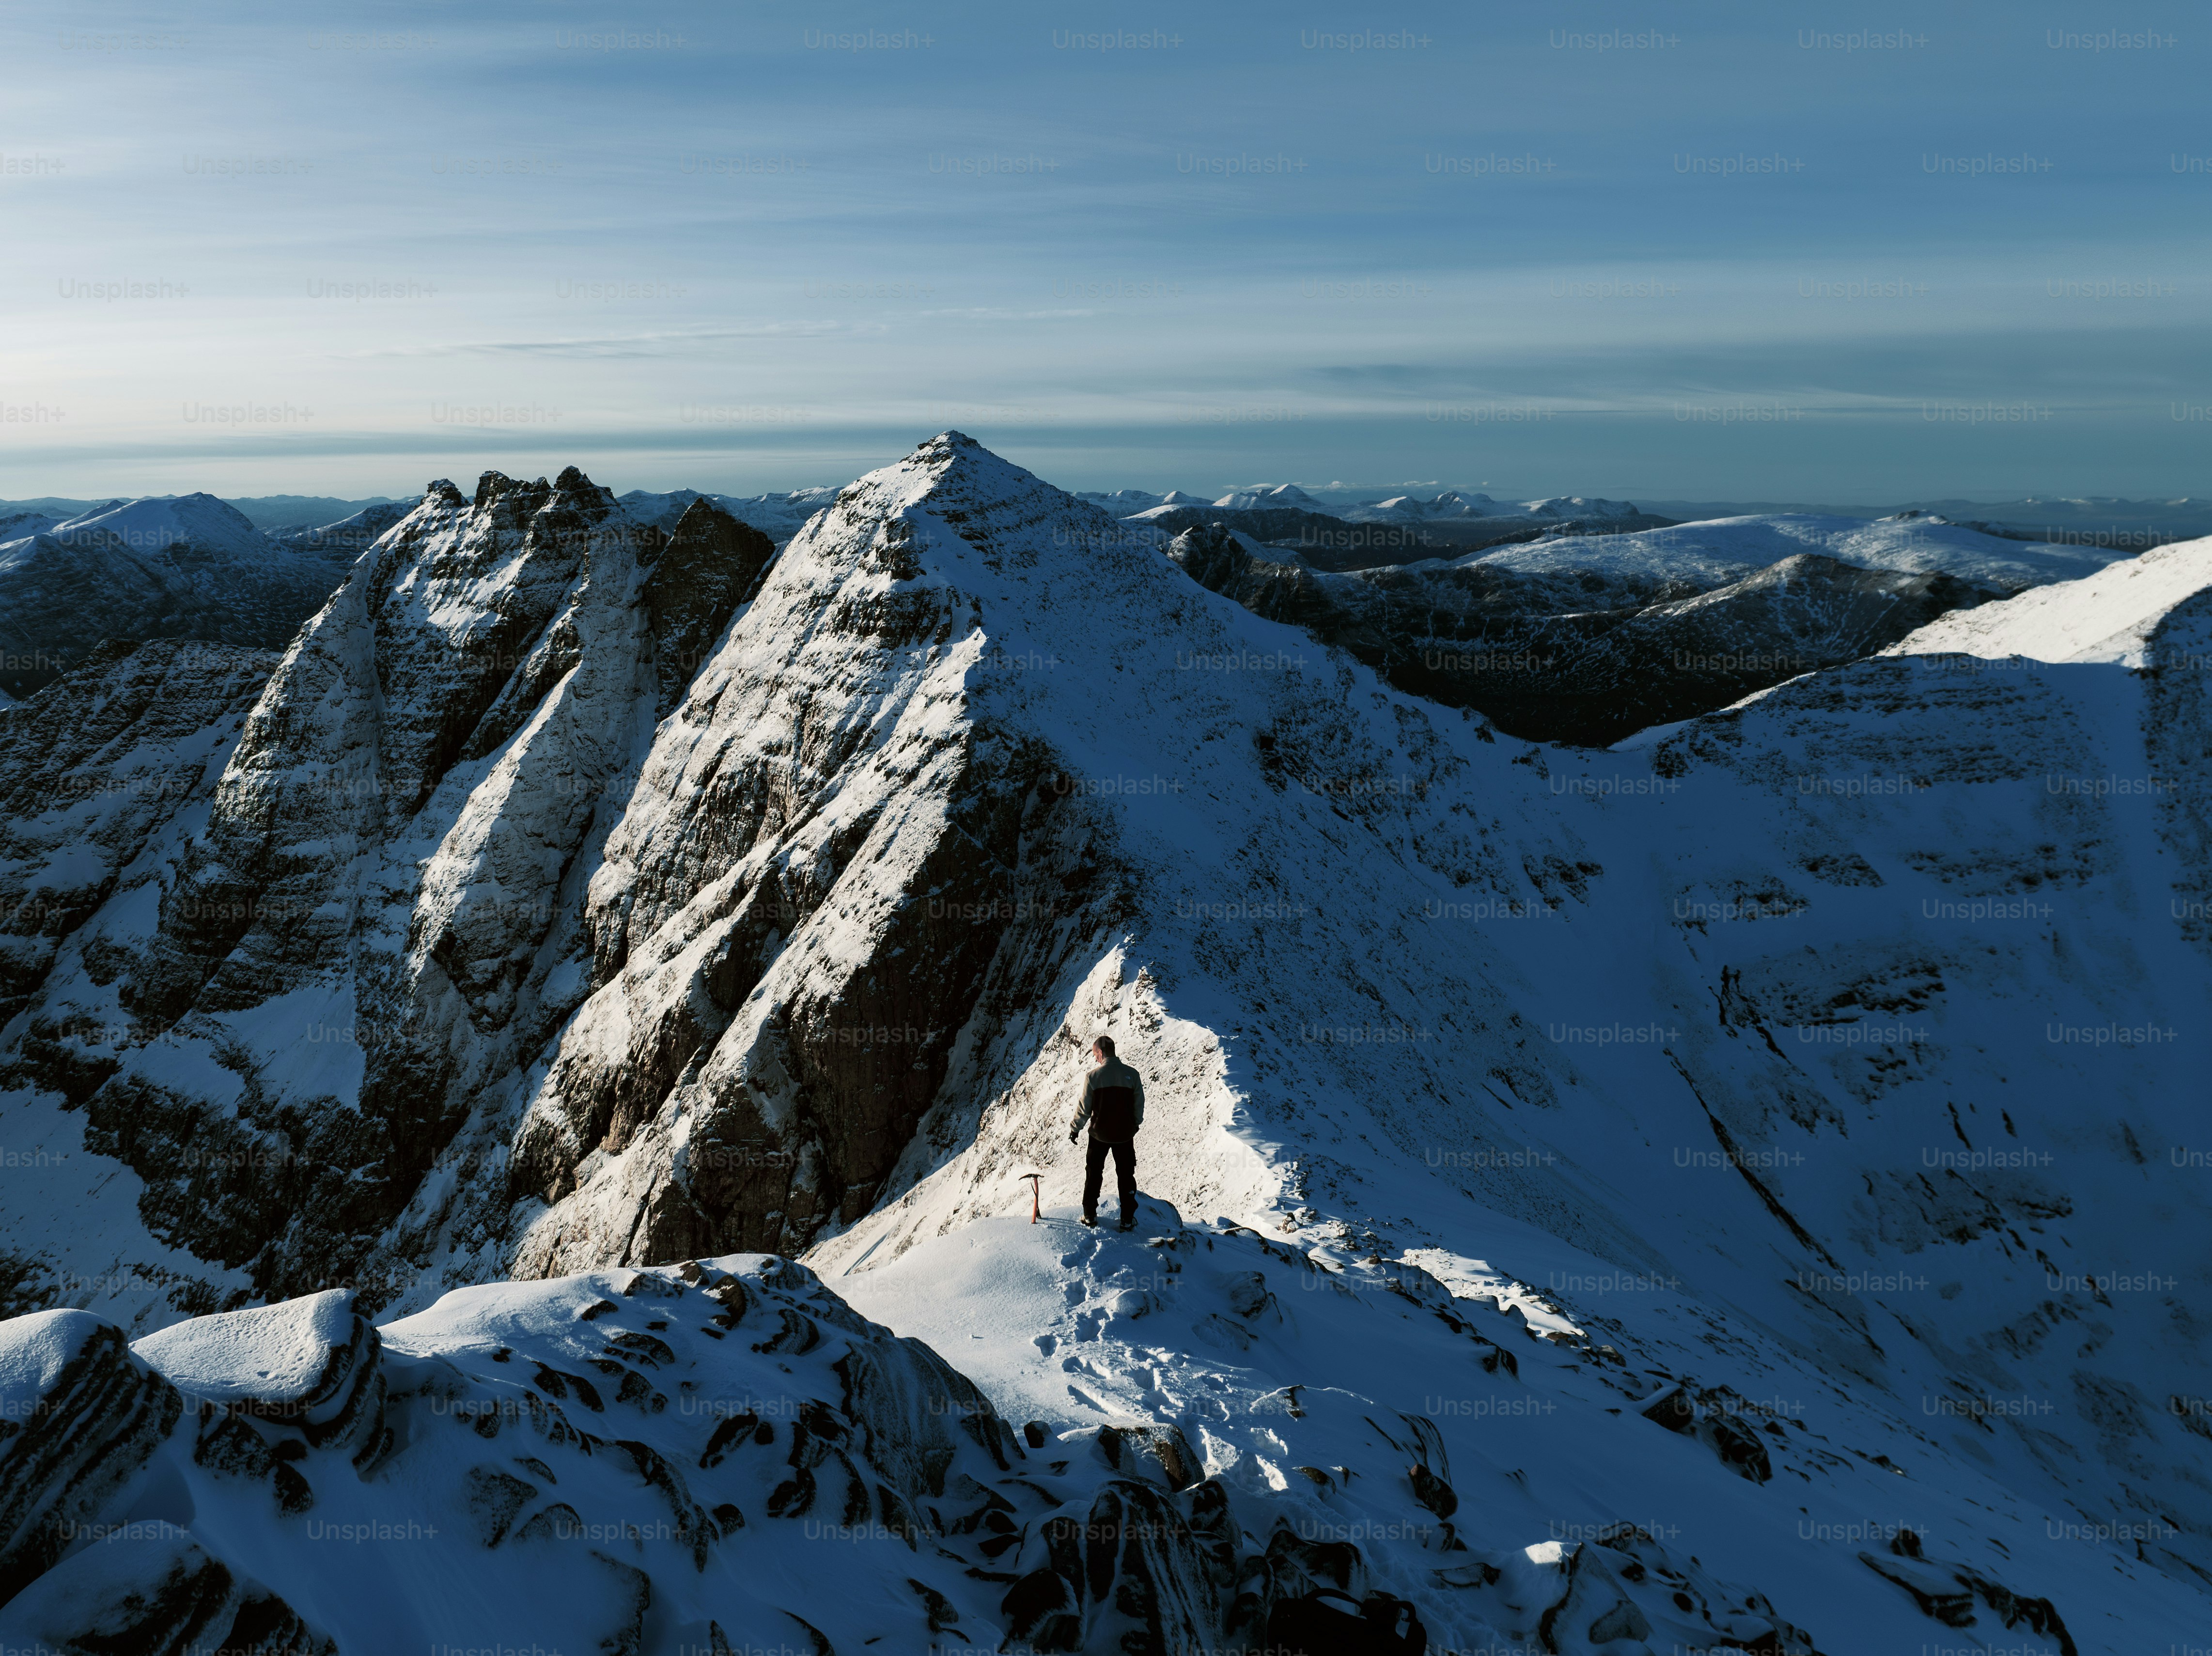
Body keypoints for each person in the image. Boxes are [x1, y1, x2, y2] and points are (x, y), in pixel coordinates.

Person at [1068, 1034, 1145, 1231]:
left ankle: (1090, 1215)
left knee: (1094, 1174)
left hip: (1098, 1136)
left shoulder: (1093, 1077)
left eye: (1095, 1054)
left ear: (1101, 1052)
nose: (1095, 1058)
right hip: (1124, 1135)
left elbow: (1084, 1108)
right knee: (1126, 1176)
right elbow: (1139, 1104)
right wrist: (1135, 1125)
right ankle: (1127, 1219)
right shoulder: (1132, 1075)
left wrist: (1075, 1129)